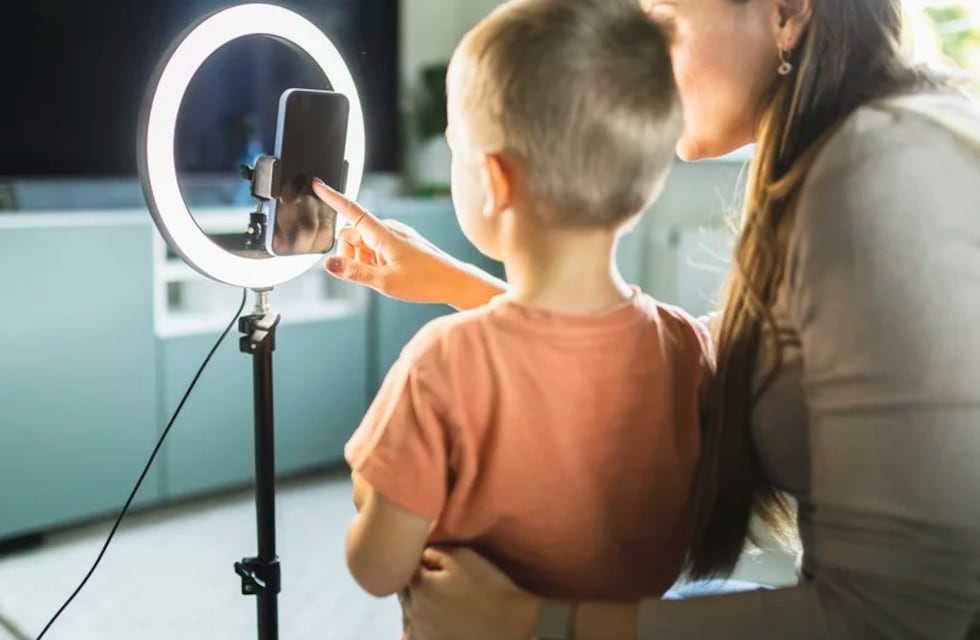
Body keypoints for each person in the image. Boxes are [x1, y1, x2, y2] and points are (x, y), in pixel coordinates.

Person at [313, 0, 980, 635]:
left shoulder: (880, 171)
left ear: (786, 10)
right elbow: (680, 364)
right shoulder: (834, 166)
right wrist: (453, 283)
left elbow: (900, 622)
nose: (641, 60)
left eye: (662, 20)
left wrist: (529, 624)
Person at [337, 0, 715, 619]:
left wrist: (374, 491)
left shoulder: (442, 363)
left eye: (455, 147)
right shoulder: (684, 348)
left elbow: (376, 569)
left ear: (494, 182)